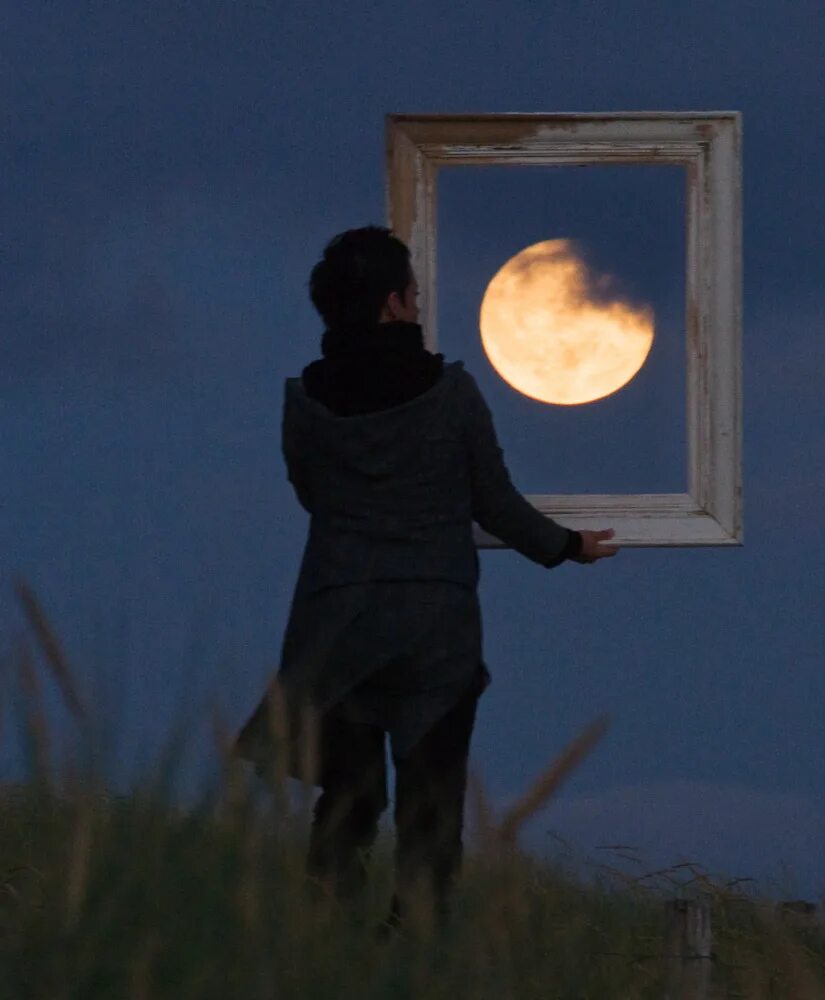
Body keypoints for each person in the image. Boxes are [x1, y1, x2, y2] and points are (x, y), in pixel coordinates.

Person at [232, 225, 619, 941]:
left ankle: (324, 939)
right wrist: (570, 547)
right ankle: (415, 949)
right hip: (433, 629)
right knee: (431, 809)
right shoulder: (451, 393)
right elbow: (494, 503)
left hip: (336, 623)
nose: (417, 304)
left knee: (348, 799)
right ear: (392, 304)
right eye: (412, 293)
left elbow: (311, 494)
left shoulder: (304, 400)